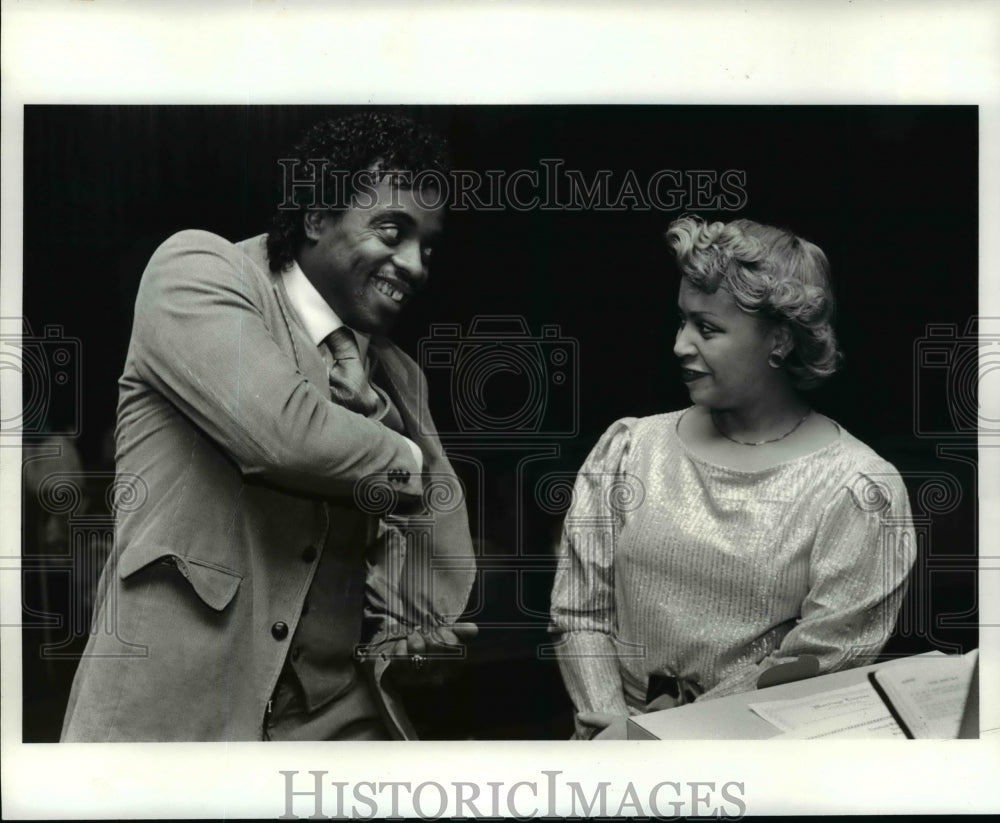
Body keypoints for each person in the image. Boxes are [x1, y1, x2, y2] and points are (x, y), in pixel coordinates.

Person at [61, 112, 477, 741]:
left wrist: (412, 638)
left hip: (332, 724)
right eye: (393, 231)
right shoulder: (197, 272)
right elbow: (282, 437)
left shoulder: (399, 376)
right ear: (315, 217)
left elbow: (426, 567)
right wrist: (409, 464)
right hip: (169, 721)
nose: (416, 264)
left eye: (429, 245)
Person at [549, 215, 917, 740]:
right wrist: (612, 732)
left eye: (708, 328)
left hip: (756, 771)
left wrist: (657, 737)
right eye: (682, 321)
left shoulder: (859, 488)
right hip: (607, 753)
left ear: (780, 341)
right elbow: (579, 610)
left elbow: (818, 661)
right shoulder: (630, 447)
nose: (680, 344)